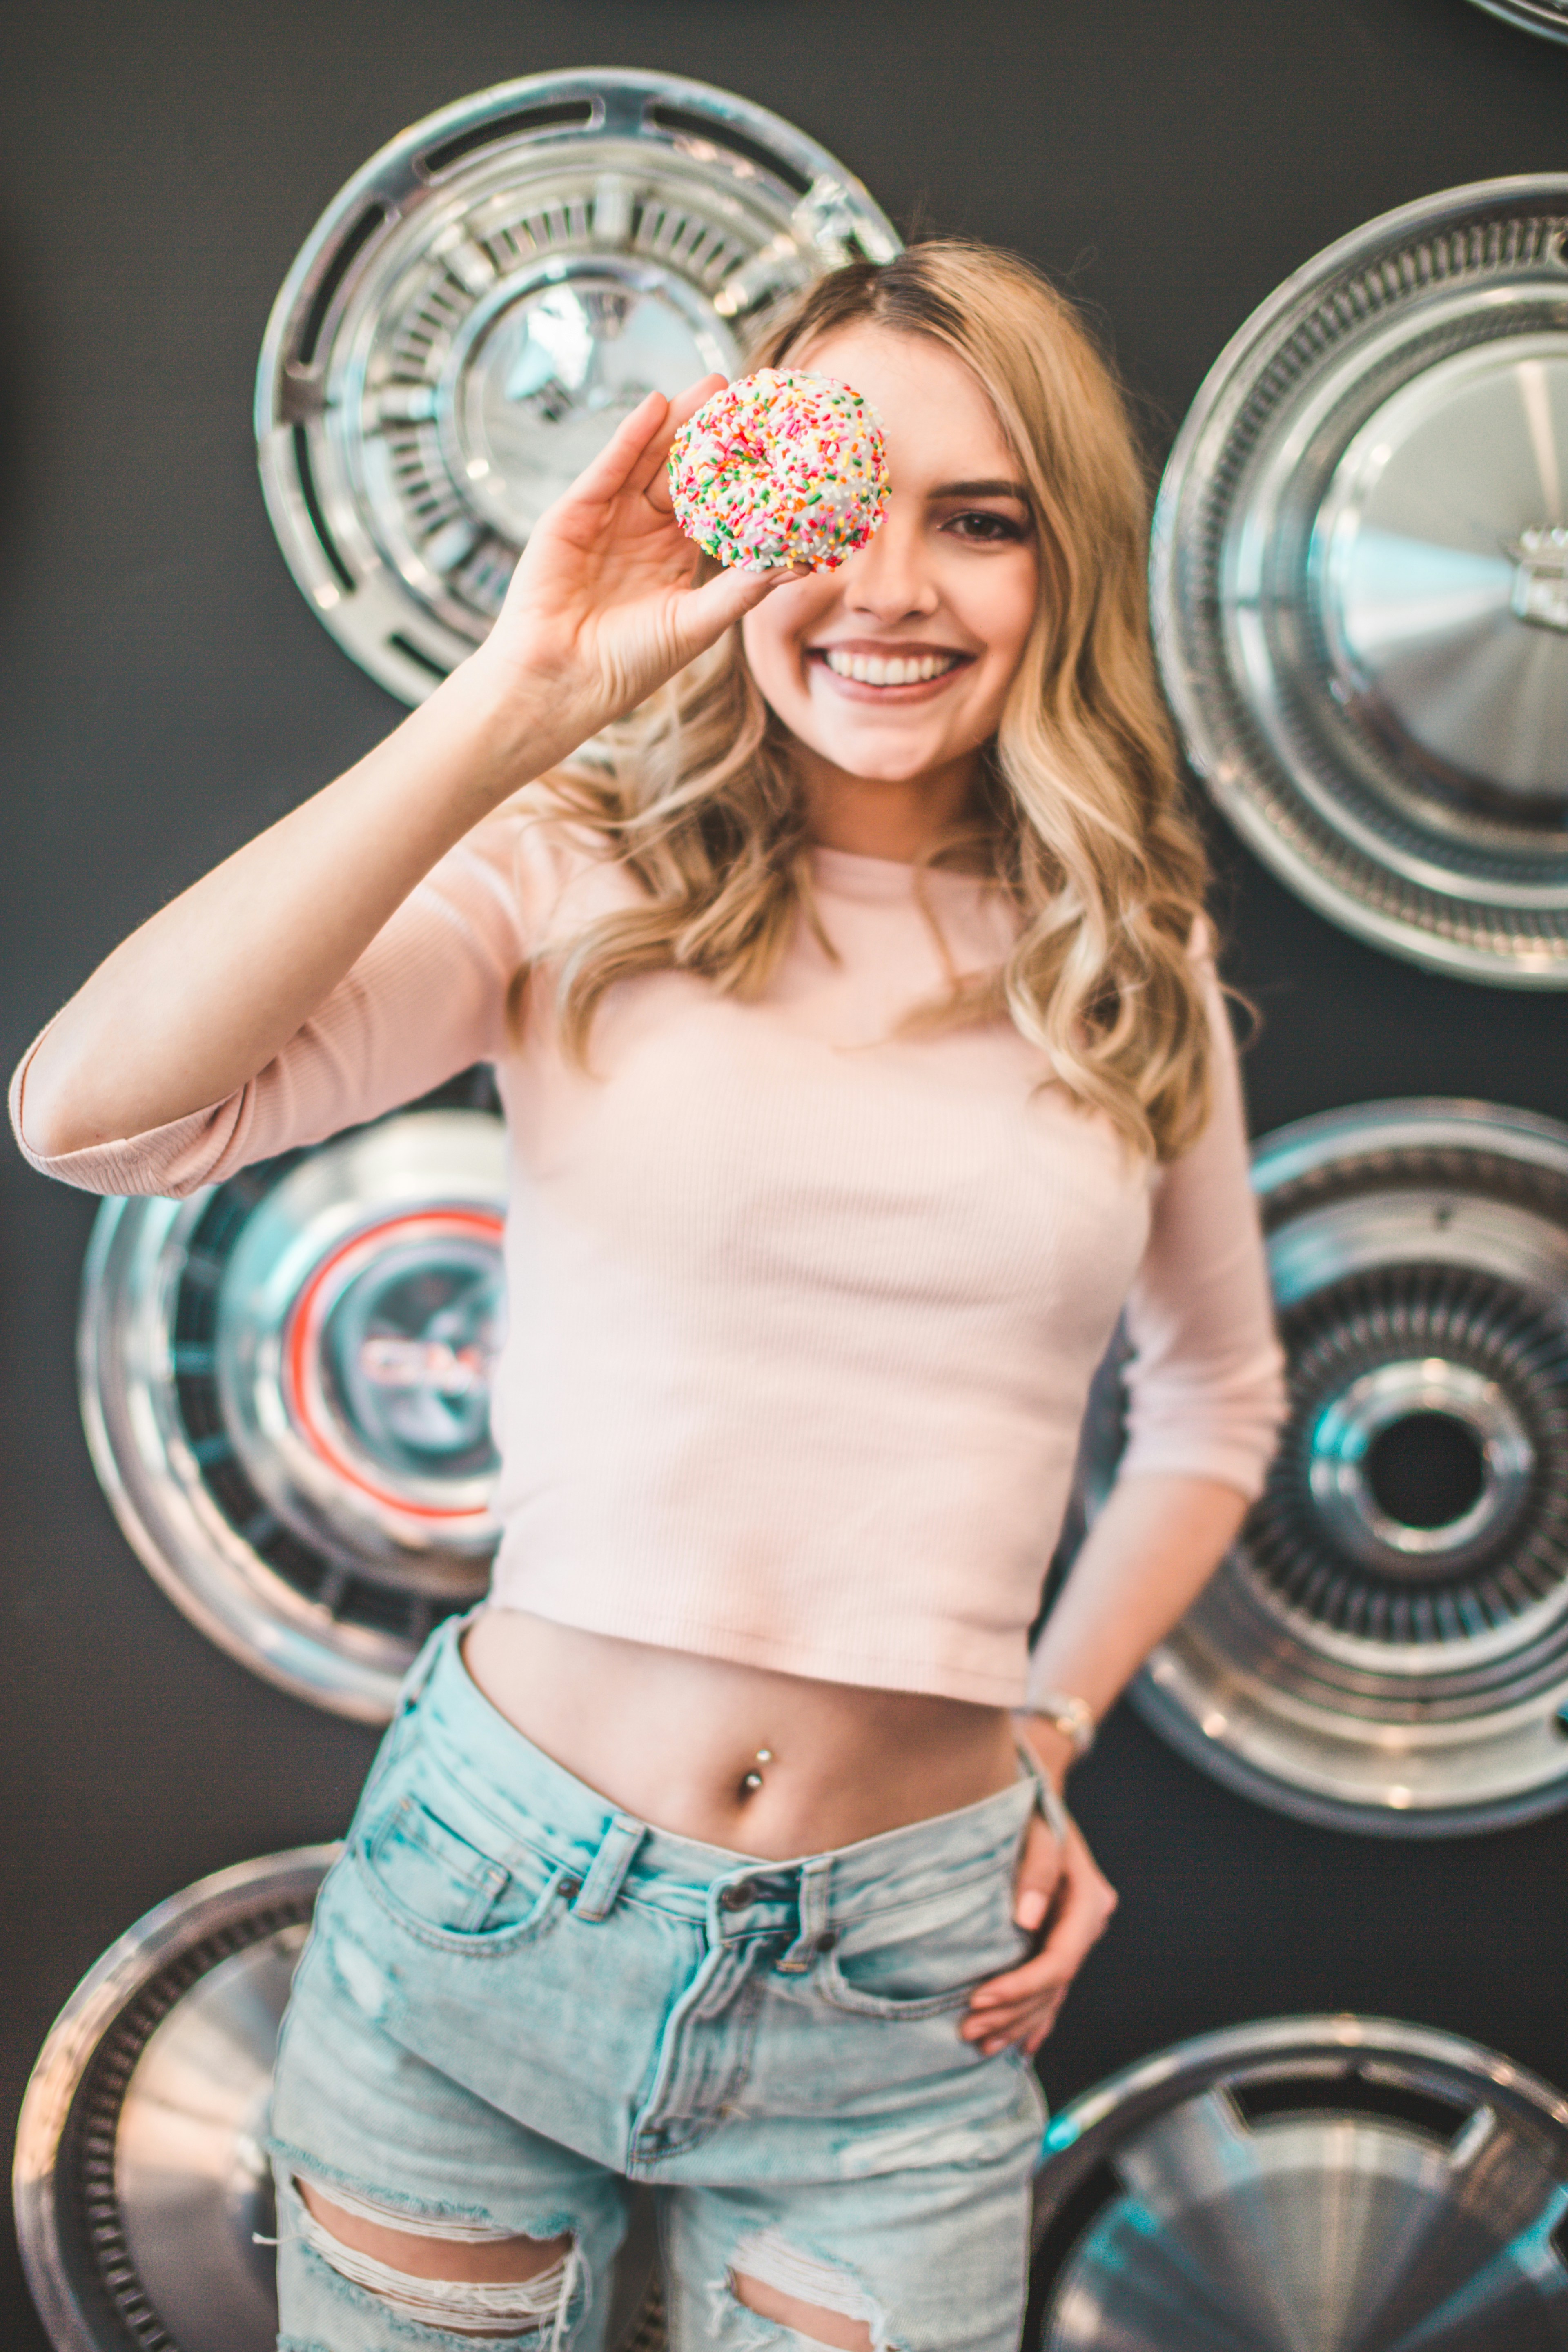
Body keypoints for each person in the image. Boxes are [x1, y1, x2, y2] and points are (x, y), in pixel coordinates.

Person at [11, 241, 1285, 2352]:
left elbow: (1223, 1402)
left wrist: (1053, 1720)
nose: (889, 589)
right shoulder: (574, 873)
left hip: (912, 1982)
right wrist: (522, 700)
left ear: (1064, 564)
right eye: (830, 509)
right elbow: (95, 1111)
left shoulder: (1126, 958)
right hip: (490, 1919)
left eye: (978, 522)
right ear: (737, 522)